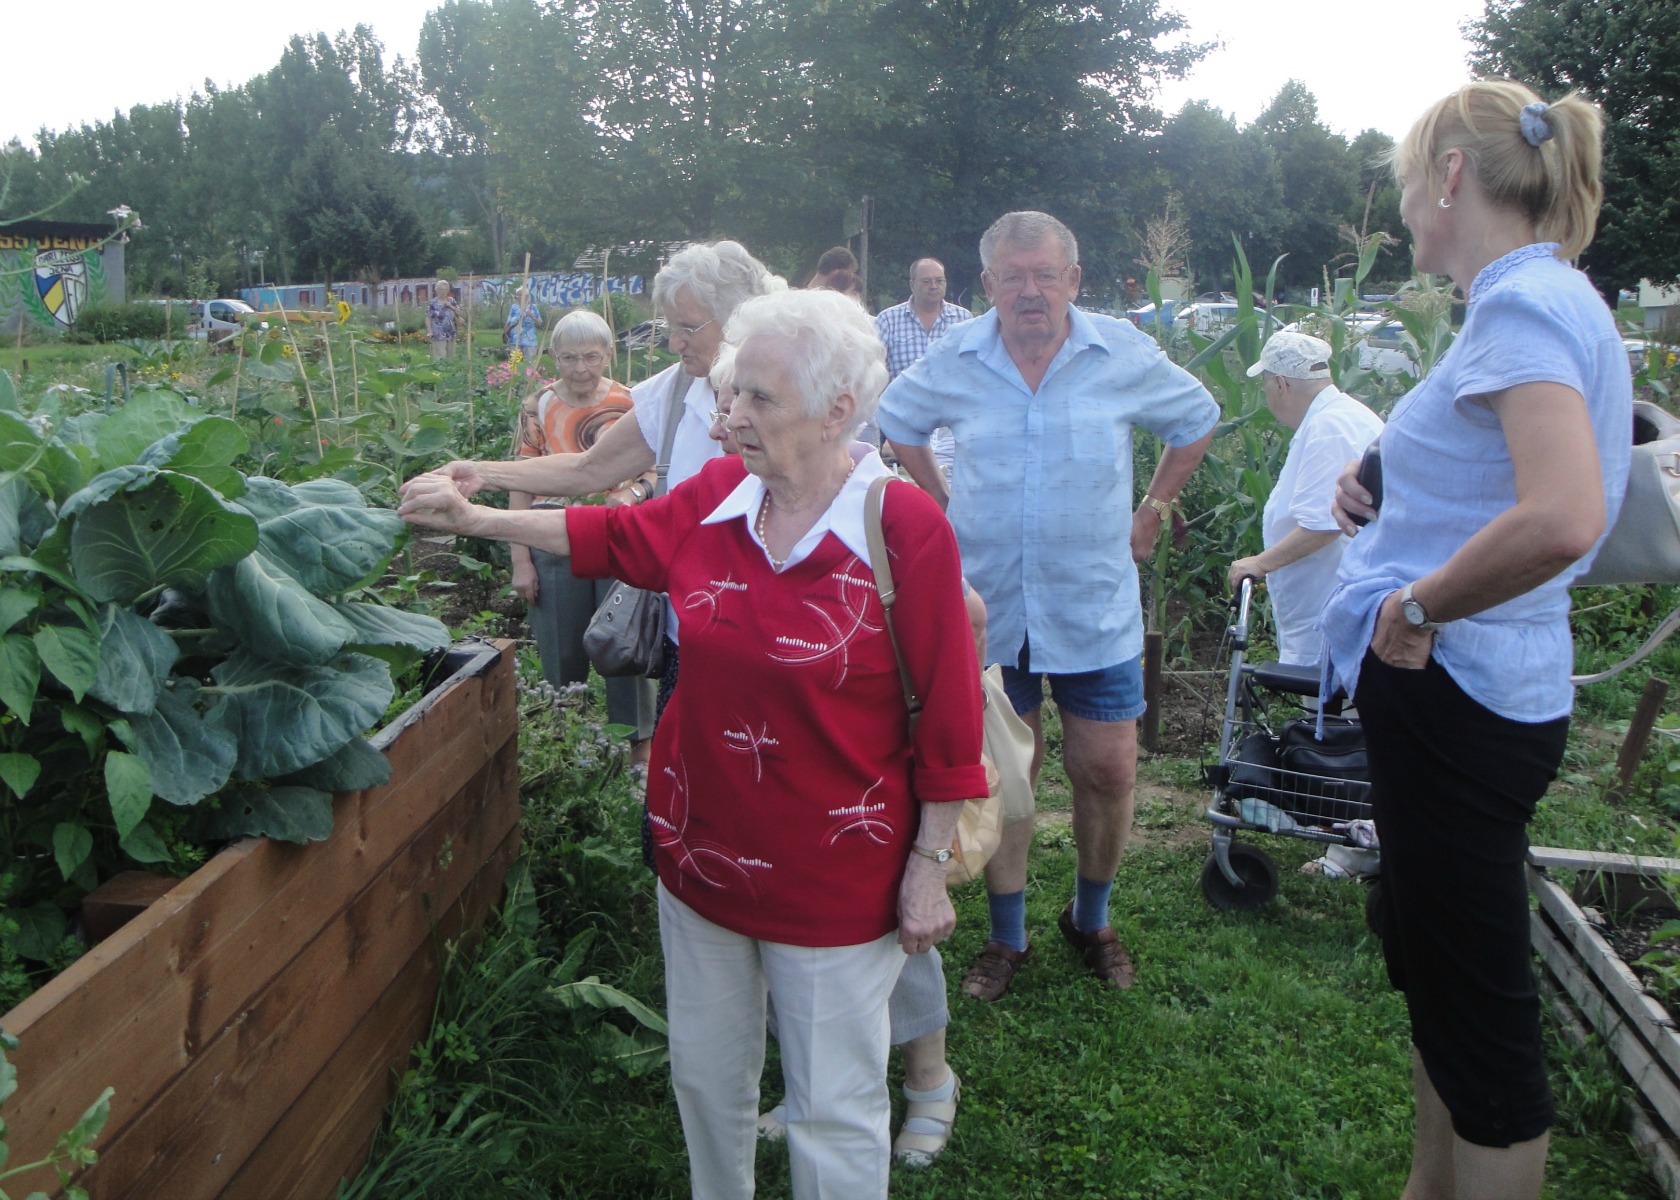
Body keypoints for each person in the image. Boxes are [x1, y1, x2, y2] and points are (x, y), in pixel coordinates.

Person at [400, 287, 988, 1200]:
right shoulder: (719, 495)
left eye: (757, 398)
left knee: (832, 1104)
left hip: (838, 873)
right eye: (729, 394)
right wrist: (479, 518)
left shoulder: (900, 529)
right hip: (701, 853)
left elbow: (949, 718)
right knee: (706, 1079)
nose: (728, 419)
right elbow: (609, 533)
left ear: (839, 410)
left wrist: (928, 862)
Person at [1326, 82, 1628, 1200]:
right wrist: (1383, 484)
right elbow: (1498, 462)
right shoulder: (1539, 299)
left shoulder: (1522, 311)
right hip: (1470, 698)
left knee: (1485, 1028)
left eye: (1410, 178)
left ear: (1450, 175)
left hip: (1459, 694)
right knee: (1444, 982)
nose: (1404, 205)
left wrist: (1419, 605)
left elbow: (1561, 513)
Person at [879, 210, 1219, 999]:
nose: (1030, 292)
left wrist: (1155, 508)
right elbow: (898, 420)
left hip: (1093, 603)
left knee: (1107, 767)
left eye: (1045, 276)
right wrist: (938, 502)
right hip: (990, 608)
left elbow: (1196, 419)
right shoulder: (957, 356)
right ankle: (1008, 936)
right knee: (1006, 775)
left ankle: (1090, 917)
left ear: (1073, 280)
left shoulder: (1119, 353)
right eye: (1013, 278)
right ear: (989, 285)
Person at [509, 309, 657, 766]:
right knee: (560, 648)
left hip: (617, 535)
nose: (579, 369)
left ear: (609, 354)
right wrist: (521, 561)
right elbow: (521, 480)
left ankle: (637, 754)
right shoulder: (538, 407)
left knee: (626, 642)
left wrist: (631, 492)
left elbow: (655, 468)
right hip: (554, 538)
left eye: (591, 357)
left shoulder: (632, 403)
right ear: (553, 356)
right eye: (568, 358)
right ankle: (564, 746)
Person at [1225, 331, 1384, 666]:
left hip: (1328, 609)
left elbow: (1324, 525)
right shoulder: (1341, 416)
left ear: (1281, 384)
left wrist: (1260, 563)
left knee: (1326, 715)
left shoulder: (1330, 427)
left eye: (1265, 384)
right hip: (1331, 606)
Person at [874, 258, 973, 482]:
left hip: (950, 417)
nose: (934, 286)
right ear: (912, 284)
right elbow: (873, 369)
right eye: (926, 281)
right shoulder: (887, 320)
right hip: (901, 414)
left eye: (939, 281)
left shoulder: (963, 320)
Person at [504, 283, 542, 360]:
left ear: (525, 297)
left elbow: (539, 323)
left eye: (518, 295)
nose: (516, 297)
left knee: (530, 364)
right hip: (515, 340)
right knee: (515, 364)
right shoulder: (514, 307)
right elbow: (509, 322)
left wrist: (532, 316)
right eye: (516, 295)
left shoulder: (533, 307)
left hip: (530, 341)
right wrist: (505, 333)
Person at [427, 278, 458, 360]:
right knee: (440, 356)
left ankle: (449, 371)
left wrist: (450, 306)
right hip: (438, 333)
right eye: (441, 289)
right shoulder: (432, 303)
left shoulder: (452, 300)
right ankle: (440, 371)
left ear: (448, 290)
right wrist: (430, 332)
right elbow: (428, 317)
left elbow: (460, 312)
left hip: (451, 332)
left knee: (451, 356)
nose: (443, 291)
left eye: (445, 289)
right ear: (437, 290)